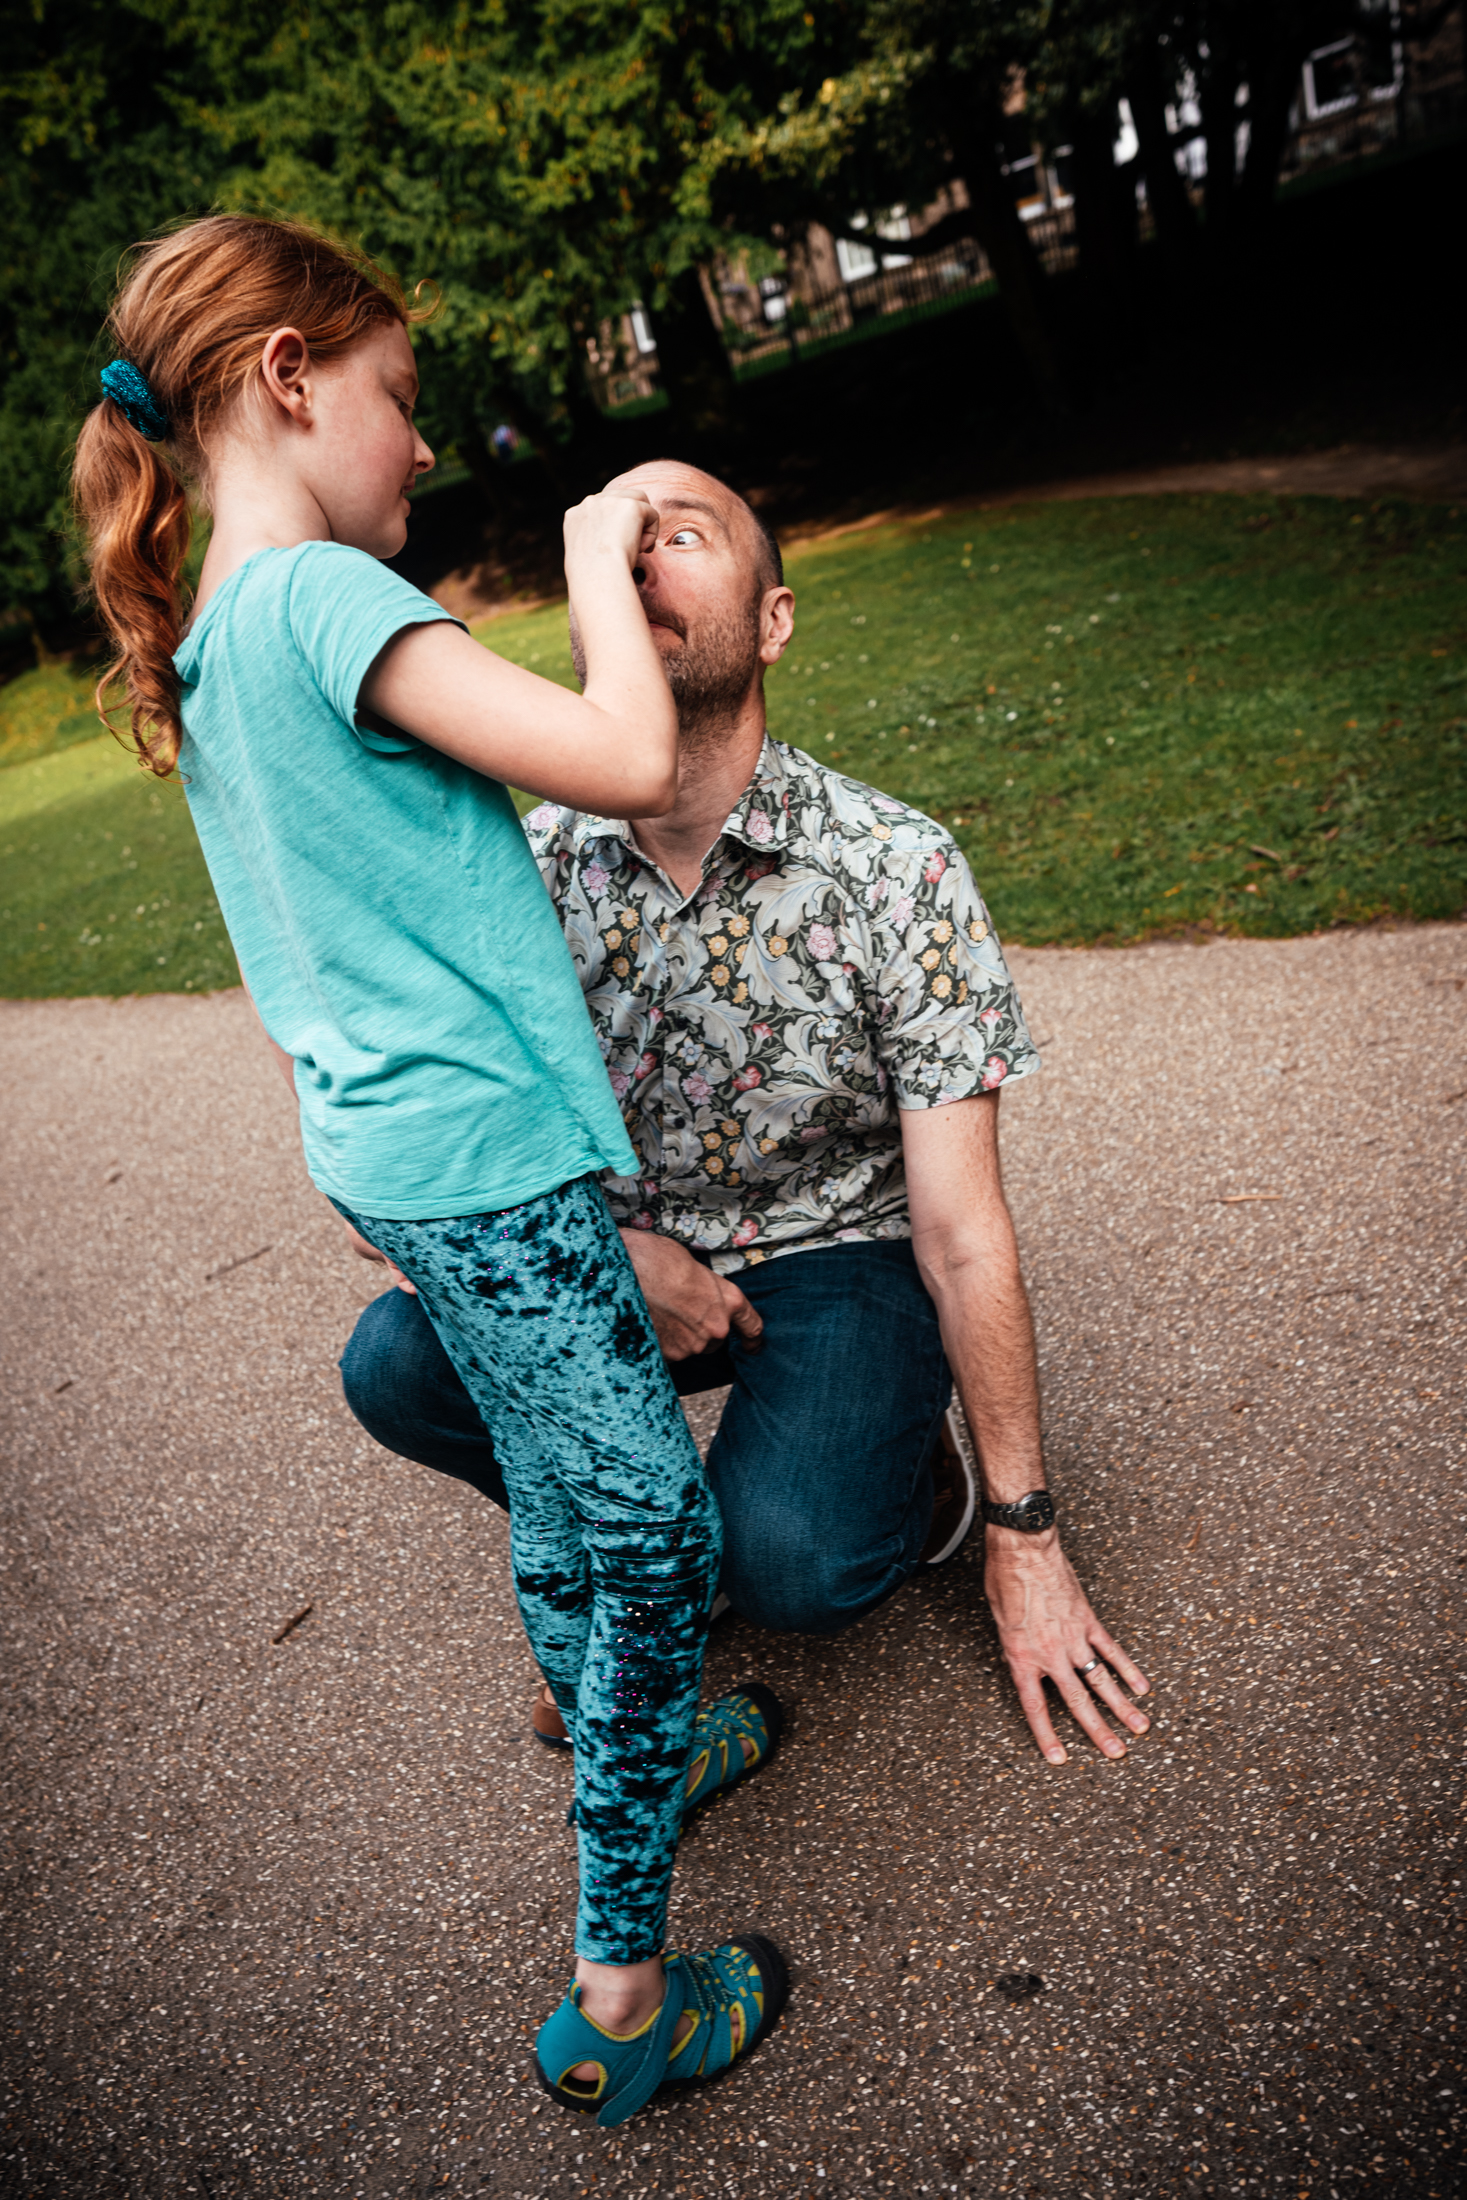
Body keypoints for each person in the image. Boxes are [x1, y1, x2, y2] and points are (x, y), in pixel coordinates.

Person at [71, 217, 789, 2128]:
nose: (417, 442)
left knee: (570, 1473)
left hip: (388, 1156)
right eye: (402, 399)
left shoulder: (220, 636)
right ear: (293, 379)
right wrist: (585, 548)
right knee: (654, 1534)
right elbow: (630, 760)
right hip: (475, 1165)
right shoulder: (317, 605)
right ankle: (621, 2000)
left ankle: (650, 1744)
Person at [343, 457, 1153, 1773]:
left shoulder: (899, 867)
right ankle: (653, 1547)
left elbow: (960, 1230)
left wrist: (1029, 1534)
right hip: (620, 1263)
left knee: (799, 1567)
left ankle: (913, 1478)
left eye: (685, 533)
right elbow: (405, 1189)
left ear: (774, 620)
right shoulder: (520, 871)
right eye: (619, 541)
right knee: (395, 1363)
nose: (643, 553)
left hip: (836, 1256)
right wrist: (612, 1261)